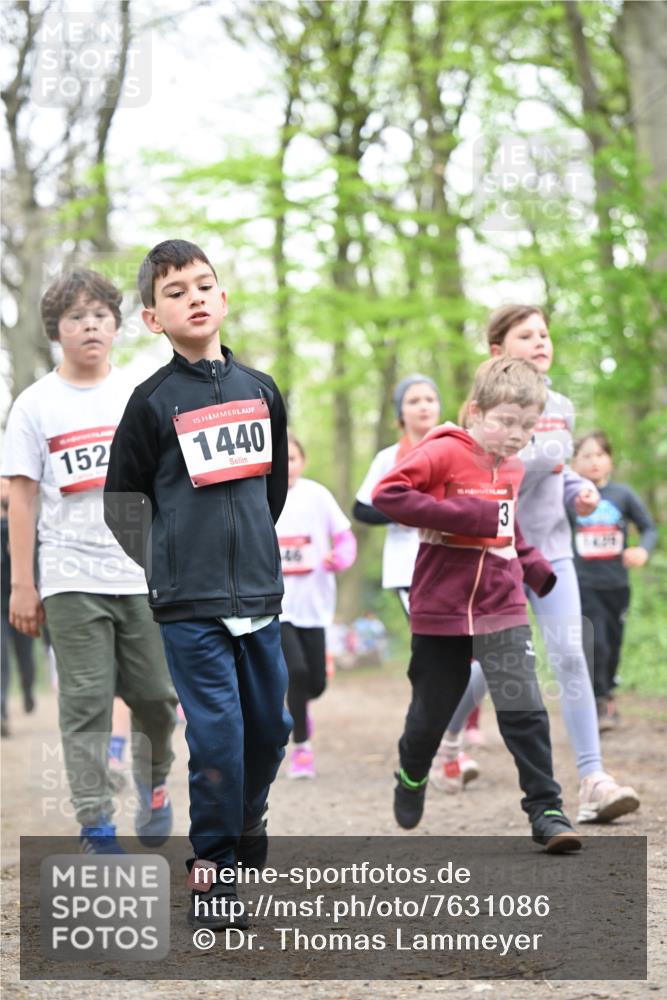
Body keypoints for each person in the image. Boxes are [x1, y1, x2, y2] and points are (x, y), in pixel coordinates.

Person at [104, 239, 292, 931]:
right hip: (188, 605)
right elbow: (121, 501)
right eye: (176, 291)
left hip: (259, 597)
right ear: (154, 318)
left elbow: (270, 491)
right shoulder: (150, 402)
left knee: (270, 731)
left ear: (223, 296)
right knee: (216, 741)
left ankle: (248, 815)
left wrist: (252, 556)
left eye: (204, 284)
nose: (194, 297)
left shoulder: (262, 390)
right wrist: (167, 566)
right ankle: (212, 879)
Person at [372, 356, 582, 854]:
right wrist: (463, 514)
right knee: (429, 715)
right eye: (507, 421)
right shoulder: (443, 451)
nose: (516, 435)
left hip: (501, 604)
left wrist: (533, 564)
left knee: (524, 707)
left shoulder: (511, 466)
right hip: (440, 608)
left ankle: (546, 808)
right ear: (475, 412)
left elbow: (505, 526)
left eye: (527, 426)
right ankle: (412, 773)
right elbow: (388, 494)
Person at [441, 306, 640, 823]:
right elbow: (476, 479)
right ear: (497, 350)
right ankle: (446, 733)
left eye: (544, 334)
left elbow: (558, 473)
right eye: (525, 335)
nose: (540, 342)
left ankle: (594, 779)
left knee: (572, 655)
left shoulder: (563, 408)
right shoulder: (478, 413)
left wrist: (582, 488)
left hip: (552, 551)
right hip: (498, 554)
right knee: (492, 668)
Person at [2, 269, 178, 852]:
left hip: (139, 571)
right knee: (85, 703)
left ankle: (153, 786)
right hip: (68, 573)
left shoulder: (141, 394)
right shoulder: (35, 405)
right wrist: (23, 584)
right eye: (76, 317)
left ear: (116, 323)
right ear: (57, 330)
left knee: (155, 696)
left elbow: (169, 483)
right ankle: (96, 825)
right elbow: (22, 495)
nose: (90, 326)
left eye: (100, 315)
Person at [354, 375, 482, 792]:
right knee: (446, 662)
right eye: (413, 400)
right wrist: (411, 509)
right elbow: (363, 508)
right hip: (411, 571)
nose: (424, 405)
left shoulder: (460, 448)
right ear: (400, 412)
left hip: (464, 564)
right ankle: (445, 749)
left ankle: (446, 739)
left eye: (430, 398)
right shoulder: (390, 457)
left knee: (478, 660)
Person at [276, 432, 356, 779]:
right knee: (297, 671)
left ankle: (298, 705)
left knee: (316, 684)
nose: (287, 465)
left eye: (292, 458)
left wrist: (339, 557)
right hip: (278, 606)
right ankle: (302, 749)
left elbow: (345, 537)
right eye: (280, 458)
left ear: (302, 462)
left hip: (315, 605)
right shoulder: (262, 496)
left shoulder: (317, 495)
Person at [570, 430, 657, 730]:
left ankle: (606, 693)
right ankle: (598, 701)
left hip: (617, 584)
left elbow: (648, 528)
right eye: (586, 456)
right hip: (582, 582)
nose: (594, 461)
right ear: (574, 463)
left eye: (600, 455)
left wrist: (642, 550)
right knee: (596, 642)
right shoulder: (571, 496)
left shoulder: (623, 494)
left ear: (610, 460)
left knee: (613, 643)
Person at [1, 478, 37, 737]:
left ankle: (27, 689)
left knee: (26, 658)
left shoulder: (23, 525)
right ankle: (1, 712)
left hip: (22, 603)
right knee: (1, 659)